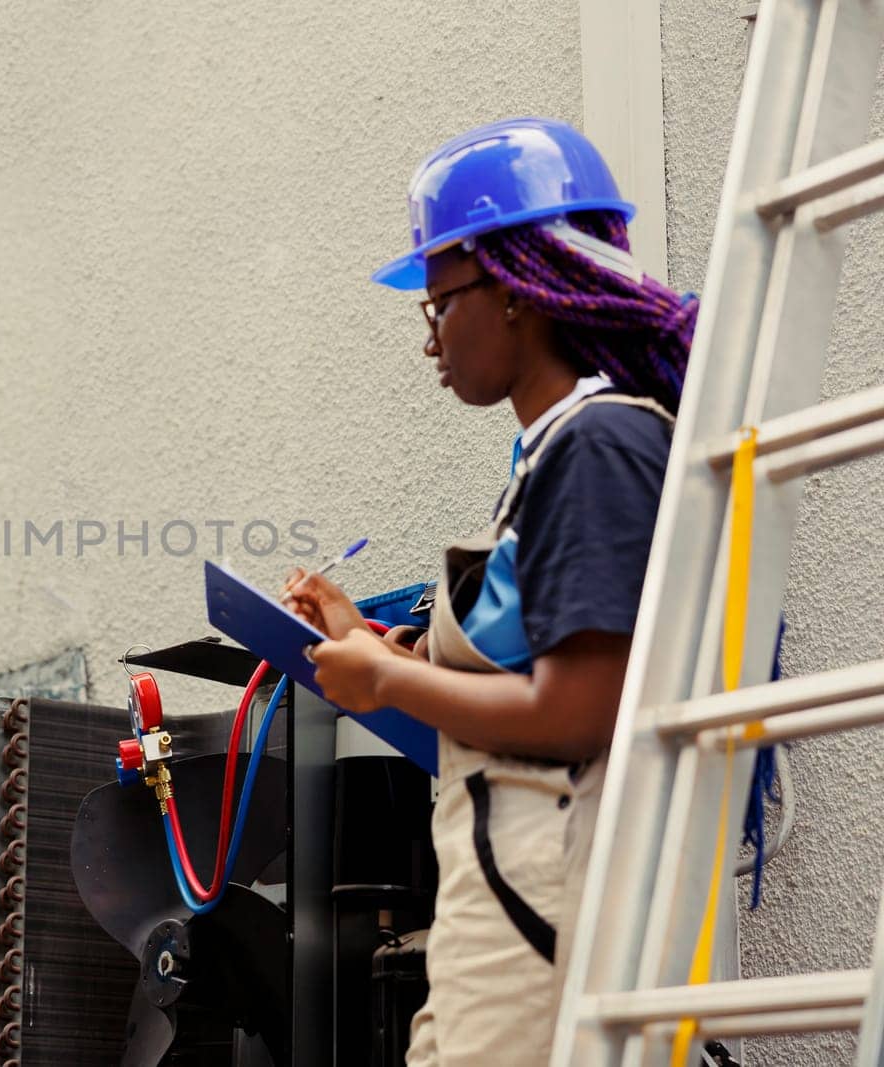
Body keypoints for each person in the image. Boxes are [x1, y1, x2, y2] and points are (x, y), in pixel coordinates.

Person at [285, 118, 698, 1066]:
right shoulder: (552, 449)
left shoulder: (600, 447)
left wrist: (386, 683)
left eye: (440, 305)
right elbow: (504, 693)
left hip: (550, 905)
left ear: (515, 293)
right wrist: (372, 645)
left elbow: (580, 709)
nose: (430, 337)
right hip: (509, 900)